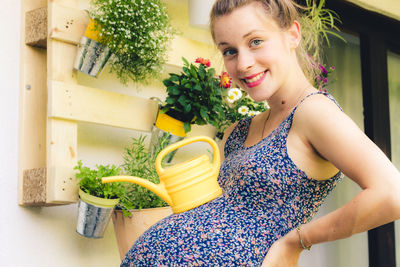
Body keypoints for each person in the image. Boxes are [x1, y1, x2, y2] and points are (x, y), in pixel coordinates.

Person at [121, 0, 400, 266]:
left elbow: (391, 193)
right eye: (229, 50)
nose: (243, 64)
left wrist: (297, 241)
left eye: (255, 42)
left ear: (292, 34)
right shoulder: (239, 130)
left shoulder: (312, 111)